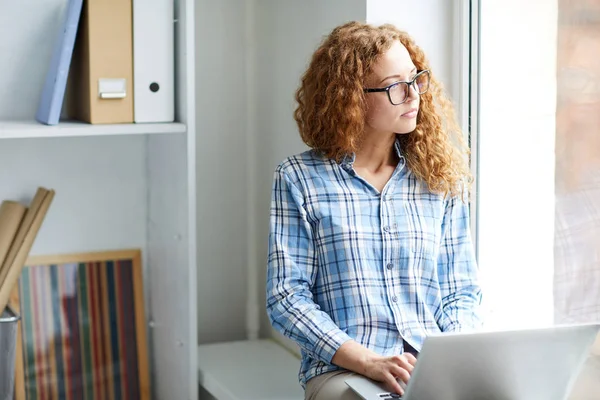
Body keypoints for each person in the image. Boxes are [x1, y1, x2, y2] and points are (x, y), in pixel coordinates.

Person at [266, 21, 483, 399]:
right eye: (395, 86)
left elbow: (459, 291)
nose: (413, 95)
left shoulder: (436, 178)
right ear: (350, 97)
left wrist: (449, 360)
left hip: (428, 369)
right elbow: (287, 297)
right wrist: (368, 361)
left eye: (415, 79)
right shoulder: (299, 178)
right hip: (343, 372)